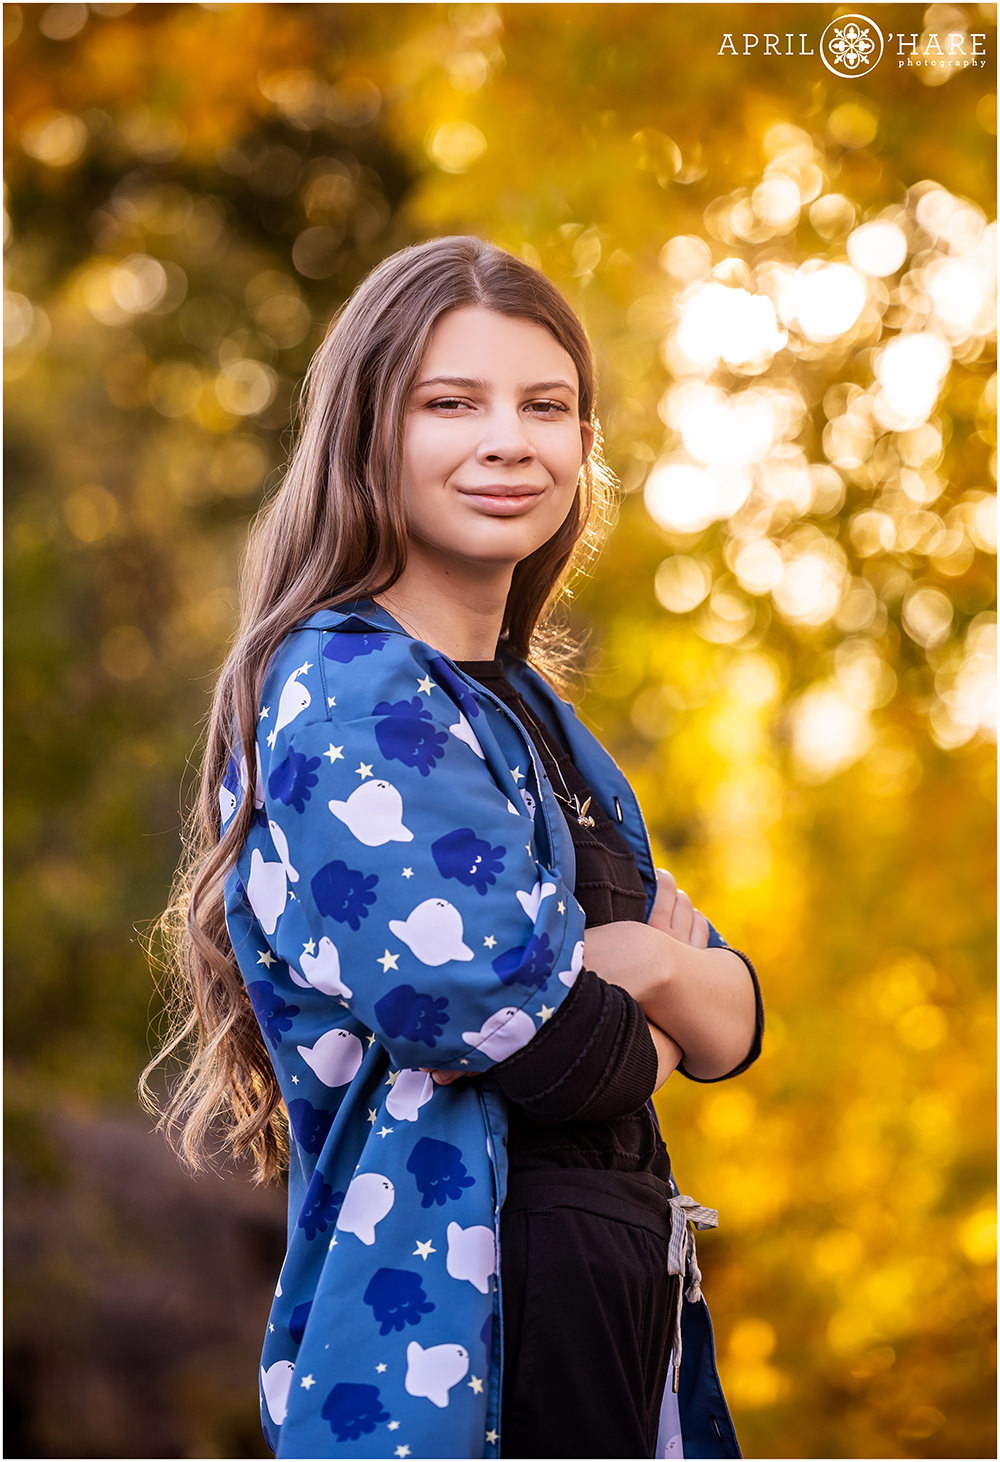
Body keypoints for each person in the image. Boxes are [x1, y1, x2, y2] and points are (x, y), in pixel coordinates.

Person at [143, 235, 764, 1461]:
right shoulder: (354, 690)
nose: (509, 439)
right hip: (454, 1362)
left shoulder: (536, 716)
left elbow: (735, 1024)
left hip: (613, 1326)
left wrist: (616, 965)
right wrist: (647, 967)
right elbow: (541, 1045)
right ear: (369, 431)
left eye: (547, 405)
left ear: (587, 441)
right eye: (451, 402)